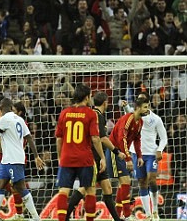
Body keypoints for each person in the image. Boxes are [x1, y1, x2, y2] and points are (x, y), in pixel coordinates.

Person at [0, 98, 45, 221]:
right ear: (11, 107)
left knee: (20, 188)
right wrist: (36, 156)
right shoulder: (20, 120)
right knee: (0, 185)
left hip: (13, 159)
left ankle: (36, 217)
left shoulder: (4, 119)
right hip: (8, 159)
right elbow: (30, 138)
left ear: (1, 109)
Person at [65, 92, 125, 221]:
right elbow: (102, 138)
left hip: (96, 156)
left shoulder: (95, 114)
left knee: (107, 188)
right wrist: (116, 151)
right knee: (86, 188)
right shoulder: (97, 116)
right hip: (93, 157)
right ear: (105, 103)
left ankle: (117, 219)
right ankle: (65, 215)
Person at [54, 84, 106, 221]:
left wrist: (60, 156)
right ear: (87, 97)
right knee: (90, 190)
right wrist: (102, 157)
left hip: (66, 157)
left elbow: (59, 139)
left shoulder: (64, 113)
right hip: (85, 158)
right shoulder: (90, 113)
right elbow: (95, 138)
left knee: (63, 191)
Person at [121, 92, 167, 221]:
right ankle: (148, 215)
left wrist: (159, 150)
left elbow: (164, 138)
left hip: (151, 154)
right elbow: (128, 113)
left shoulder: (156, 119)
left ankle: (155, 211)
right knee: (142, 182)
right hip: (136, 153)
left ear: (148, 104)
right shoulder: (134, 116)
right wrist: (125, 107)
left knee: (152, 179)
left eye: (143, 102)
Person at [108, 97, 149, 219]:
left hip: (122, 152)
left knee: (124, 184)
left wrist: (139, 156)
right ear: (137, 108)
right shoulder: (128, 119)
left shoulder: (140, 122)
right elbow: (122, 139)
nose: (148, 109)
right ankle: (127, 215)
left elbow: (137, 140)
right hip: (114, 151)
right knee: (125, 182)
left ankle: (116, 215)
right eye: (146, 107)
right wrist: (128, 159)